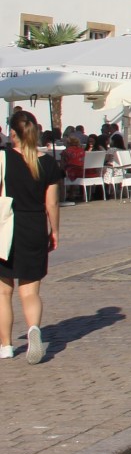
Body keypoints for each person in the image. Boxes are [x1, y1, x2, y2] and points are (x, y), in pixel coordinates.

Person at [1, 110, 62, 363]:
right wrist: (54, 230)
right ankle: (34, 329)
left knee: (3, 292)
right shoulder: (48, 163)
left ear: (12, 134)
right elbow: (53, 203)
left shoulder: (3, 158)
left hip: (6, 227)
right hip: (34, 225)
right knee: (30, 291)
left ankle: (5, 345)